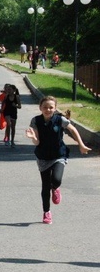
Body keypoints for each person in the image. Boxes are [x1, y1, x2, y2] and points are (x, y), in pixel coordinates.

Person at [25, 96, 91, 224]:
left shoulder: (60, 119)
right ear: (40, 108)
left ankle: (55, 187)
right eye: (45, 107)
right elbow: (37, 142)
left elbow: (73, 130)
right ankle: (46, 212)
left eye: (51, 107)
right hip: (43, 156)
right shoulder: (35, 121)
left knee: (56, 179)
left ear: (55, 108)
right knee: (45, 187)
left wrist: (81, 145)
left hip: (58, 155)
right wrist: (32, 137)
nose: (48, 109)